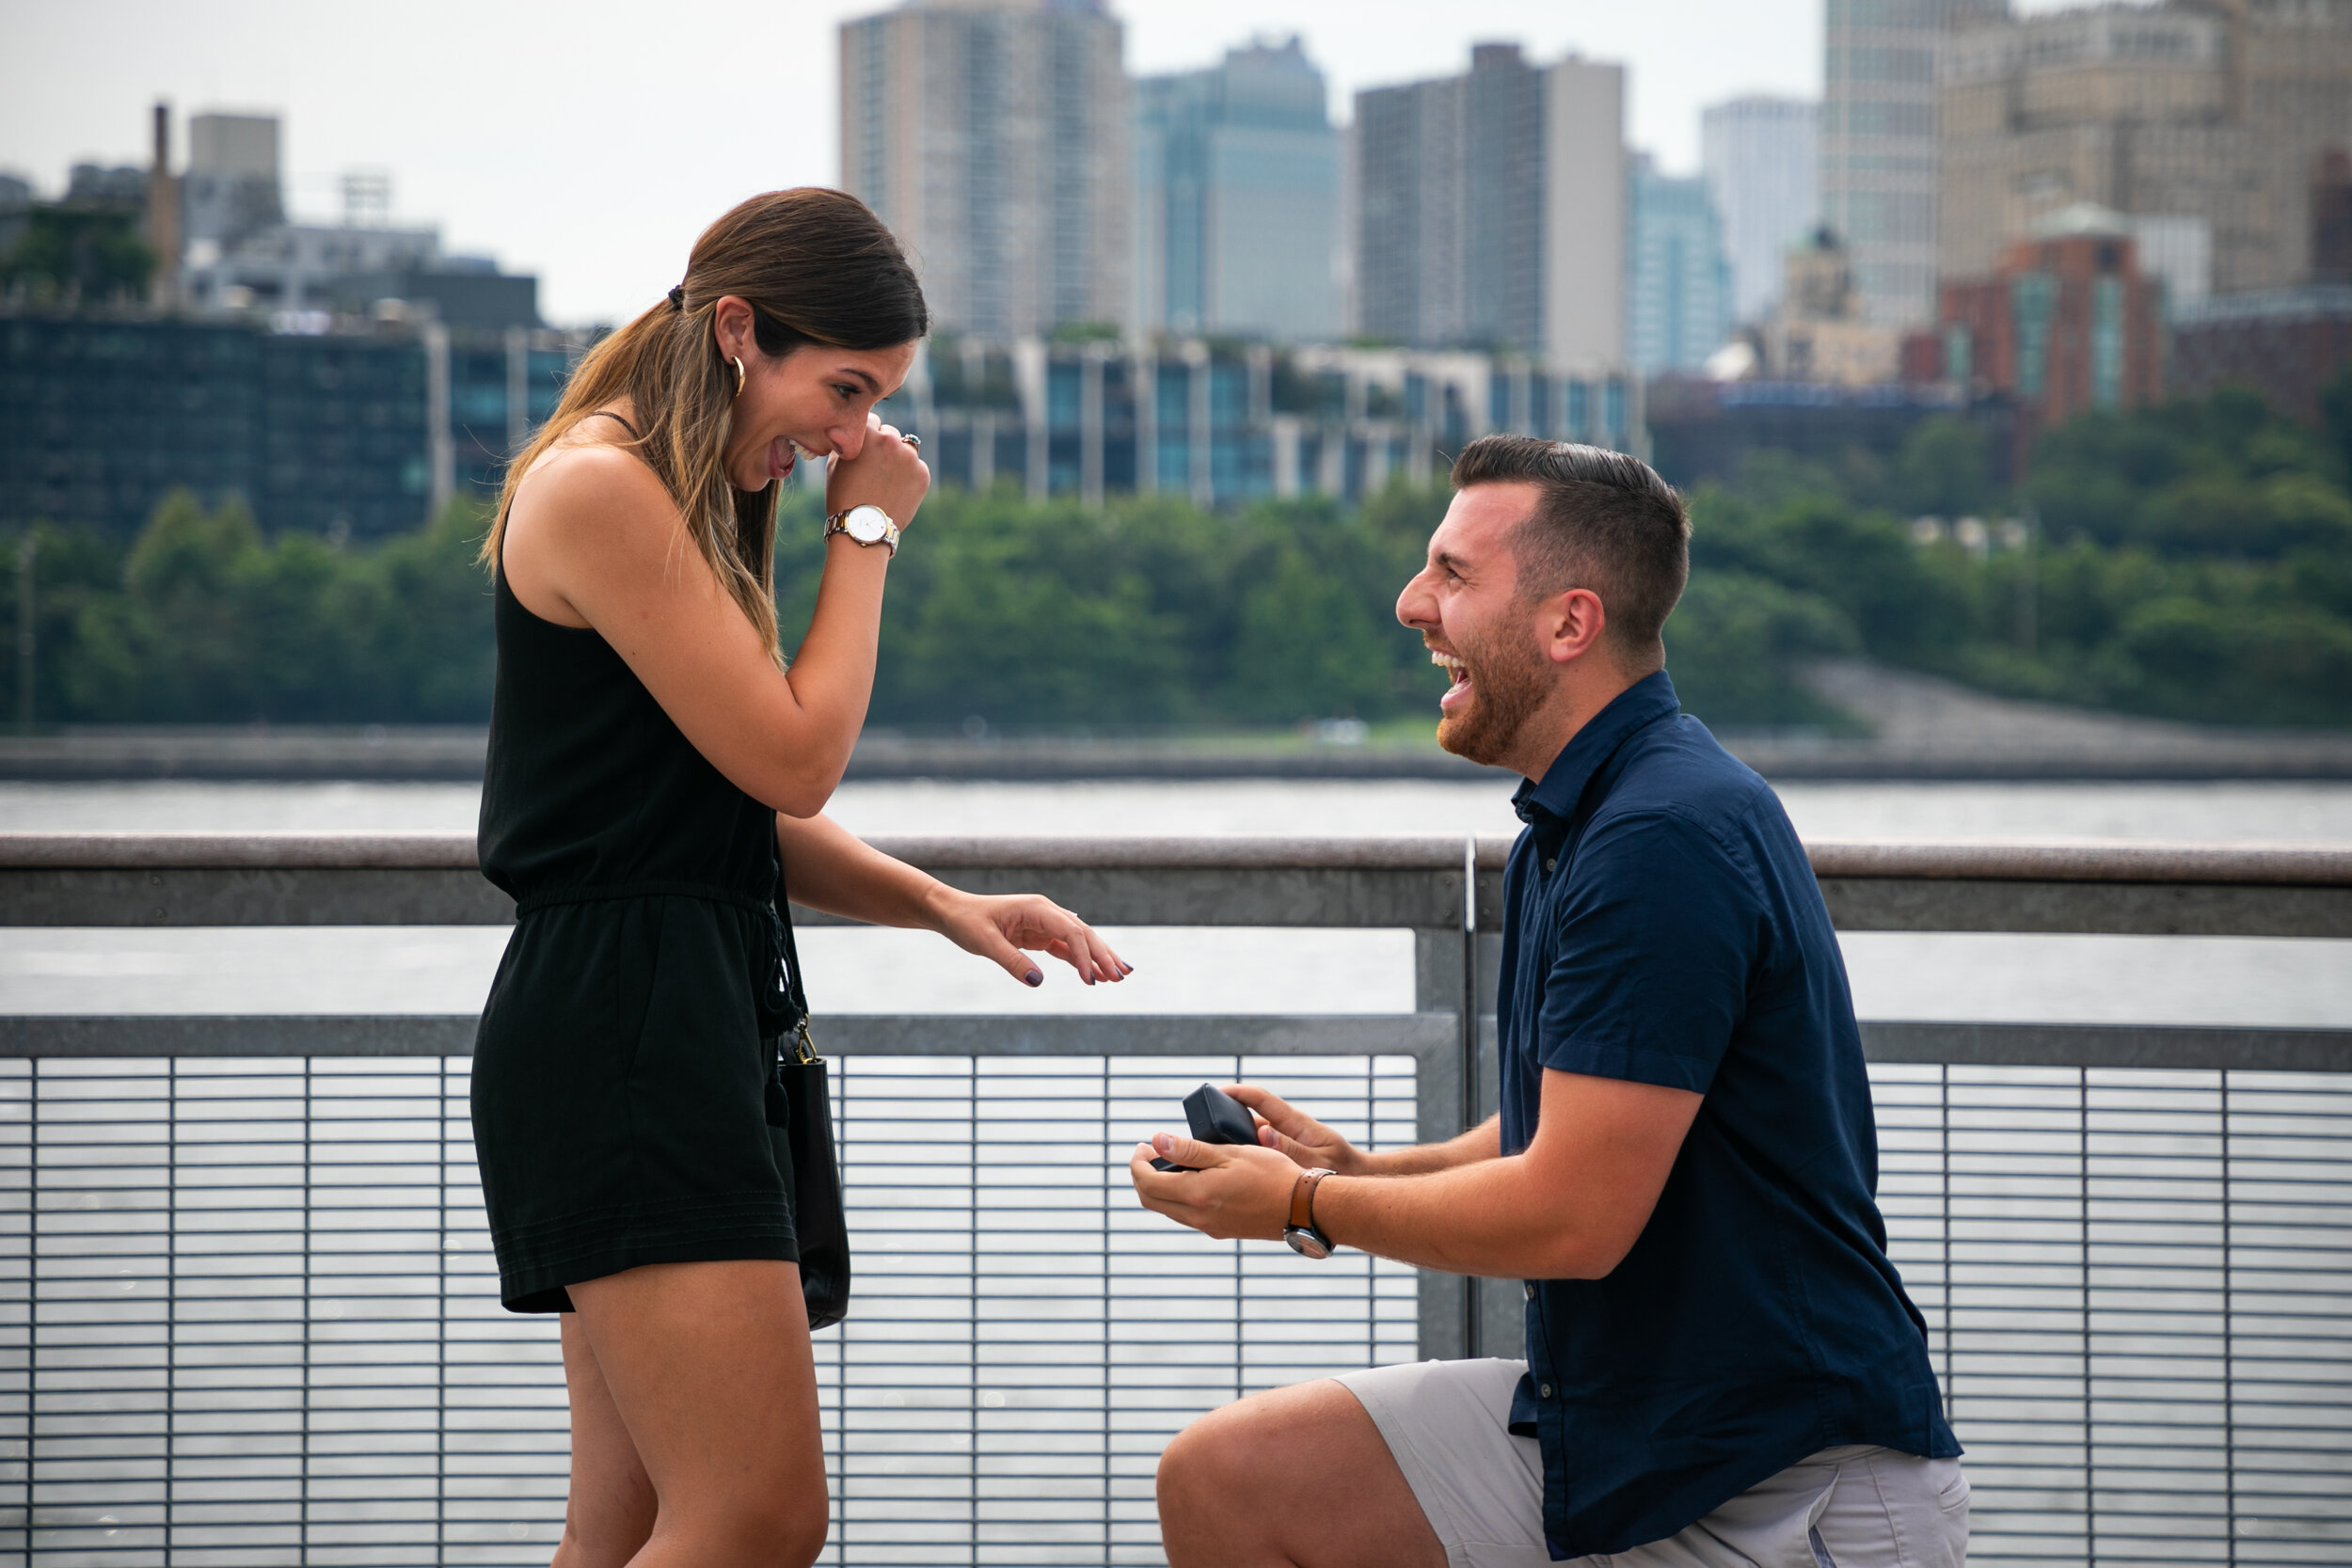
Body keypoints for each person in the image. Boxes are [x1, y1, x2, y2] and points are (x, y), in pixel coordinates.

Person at [1131, 436, 1963, 1568]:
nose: (1410, 602)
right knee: (1231, 1480)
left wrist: (1306, 1202)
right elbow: (1571, 1124)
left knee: (1237, 1476)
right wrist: (1365, 1169)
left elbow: (1574, 1211)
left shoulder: (1661, 836)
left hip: (1784, 1472)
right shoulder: (1583, 821)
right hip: (1636, 1430)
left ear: (1569, 624)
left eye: (1452, 575)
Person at [471, 188, 1131, 1568]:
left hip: (659, 1007)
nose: (856, 437)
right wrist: (867, 532)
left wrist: (944, 903)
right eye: (844, 388)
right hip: (629, 1027)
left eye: (878, 402)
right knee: (757, 1514)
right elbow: (796, 759)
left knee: (634, 1523)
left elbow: (713, 812)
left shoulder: (677, 494)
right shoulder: (602, 484)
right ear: (735, 331)